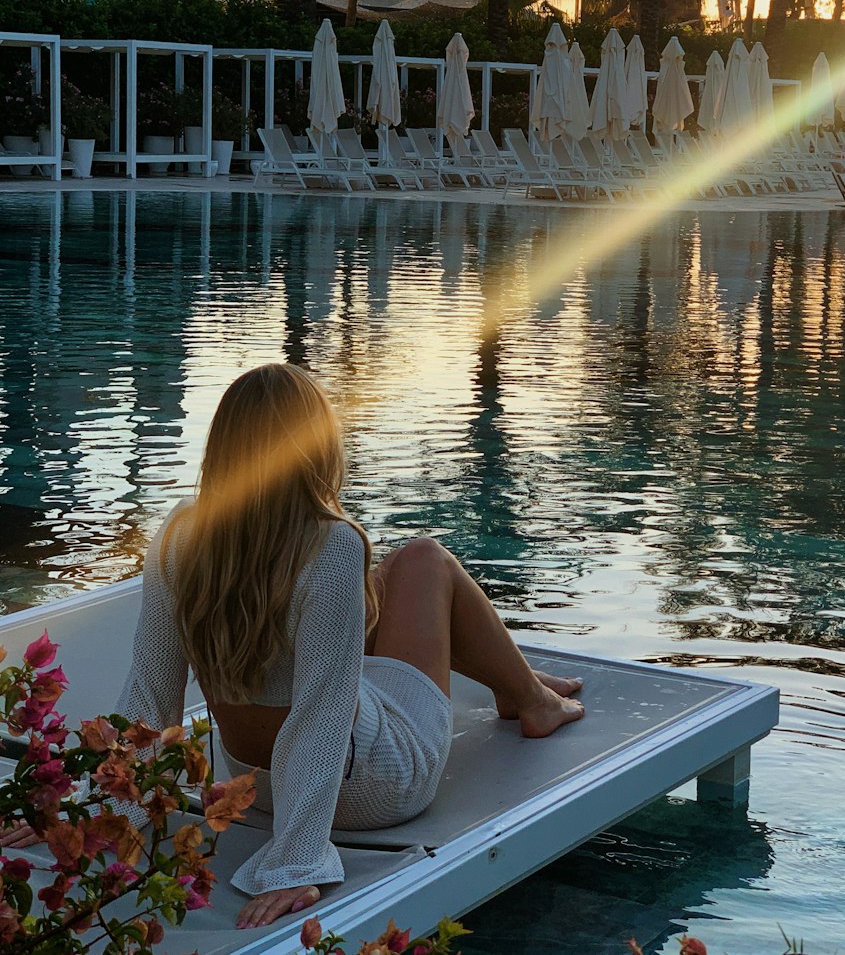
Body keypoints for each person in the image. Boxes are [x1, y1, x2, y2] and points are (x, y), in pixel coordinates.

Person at [116, 362, 584, 929]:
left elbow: (150, 693)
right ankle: (532, 699)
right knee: (423, 560)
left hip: (255, 787)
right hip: (374, 784)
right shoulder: (331, 543)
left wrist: (111, 809)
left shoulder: (180, 536)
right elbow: (322, 715)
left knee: (382, 584)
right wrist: (295, 862)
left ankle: (520, 683)